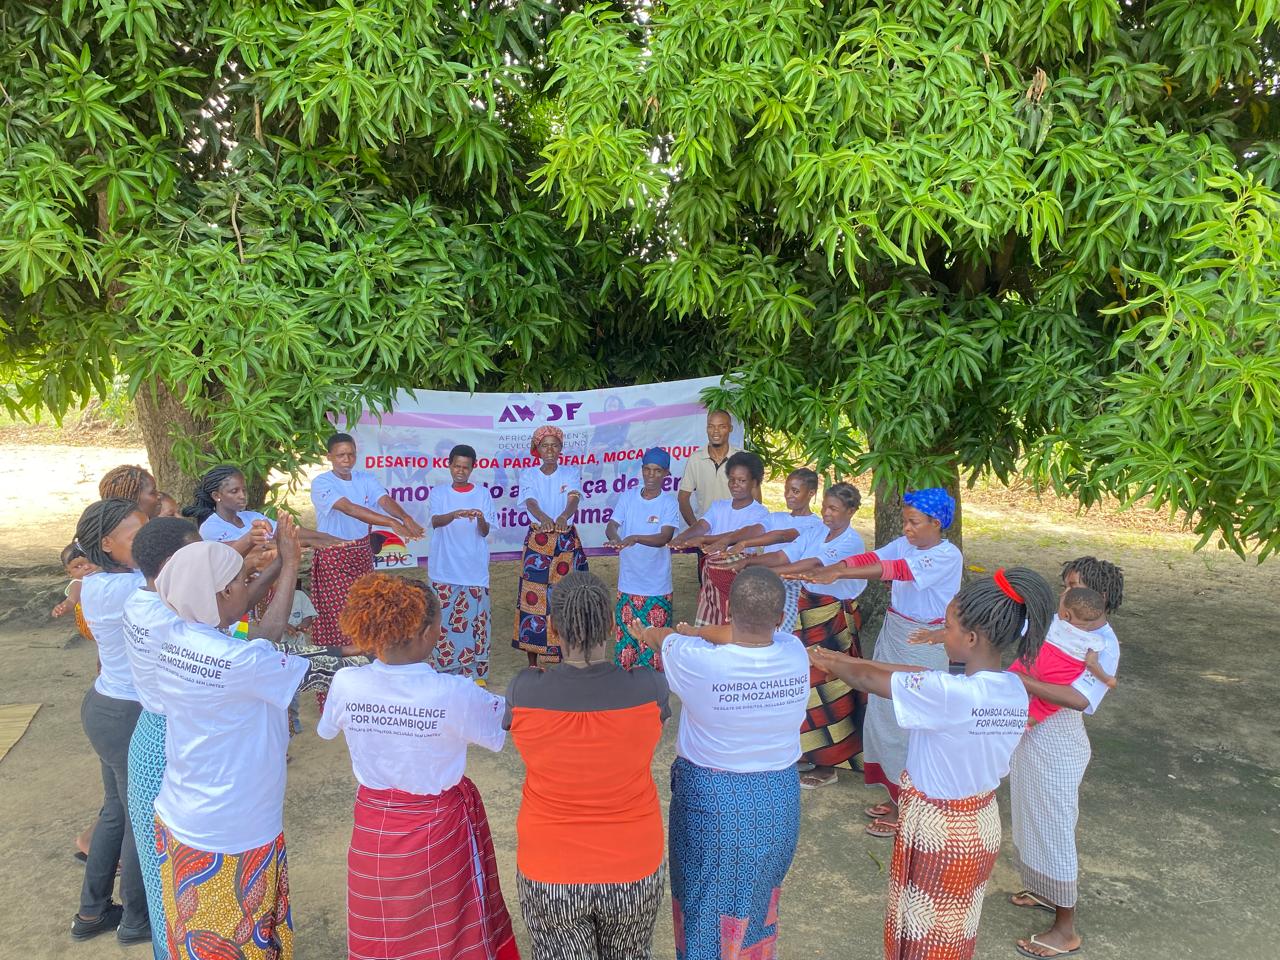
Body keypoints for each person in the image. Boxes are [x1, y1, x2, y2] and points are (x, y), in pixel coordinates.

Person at [809, 566, 1053, 960]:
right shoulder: (1010, 686)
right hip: (978, 823)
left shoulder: (948, 695)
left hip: (940, 829)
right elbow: (920, 674)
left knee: (924, 940)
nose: (943, 634)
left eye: (949, 627)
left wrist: (827, 660)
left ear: (971, 639)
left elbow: (871, 682)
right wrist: (838, 658)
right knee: (951, 934)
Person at [149, 519, 330, 960]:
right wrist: (288, 568)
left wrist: (282, 566)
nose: (244, 589)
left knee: (198, 937)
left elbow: (256, 642)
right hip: (233, 829)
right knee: (238, 942)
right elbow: (305, 666)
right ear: (222, 595)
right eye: (240, 583)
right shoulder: (240, 661)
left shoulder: (173, 629)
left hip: (184, 816)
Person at [318, 573, 518, 960]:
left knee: (383, 934)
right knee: (450, 936)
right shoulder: (454, 693)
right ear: (428, 632)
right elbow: (503, 723)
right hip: (439, 830)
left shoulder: (346, 683)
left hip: (374, 829)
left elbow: (327, 730)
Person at [640, 567, 808, 960]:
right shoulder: (794, 652)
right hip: (777, 800)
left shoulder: (699, 661)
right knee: (758, 904)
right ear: (782, 616)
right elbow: (744, 634)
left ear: (727, 611)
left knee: (703, 906)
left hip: (712, 802)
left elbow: (664, 639)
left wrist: (661, 634)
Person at [506, 572, 669, 960]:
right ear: (613, 627)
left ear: (552, 628)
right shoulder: (650, 688)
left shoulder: (524, 690)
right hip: (634, 864)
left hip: (550, 867)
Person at [798, 487, 963, 836]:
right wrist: (838, 567)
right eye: (904, 521)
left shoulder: (946, 555)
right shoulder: (907, 543)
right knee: (886, 714)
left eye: (914, 522)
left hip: (923, 641)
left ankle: (913, 806)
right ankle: (896, 793)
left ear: (937, 523)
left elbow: (896, 570)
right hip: (896, 630)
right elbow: (871, 558)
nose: (906, 528)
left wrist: (838, 575)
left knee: (912, 721)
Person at [1007, 557, 1124, 960]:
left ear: (1099, 598)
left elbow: (1079, 698)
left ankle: (1065, 929)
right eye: (1064, 586)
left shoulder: (1103, 646)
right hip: (1032, 735)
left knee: (1055, 828)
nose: (1063, 594)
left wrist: (1024, 680)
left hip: (1059, 743)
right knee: (1029, 816)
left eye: (1072, 587)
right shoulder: (1065, 622)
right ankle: (1044, 891)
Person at [723, 483, 868, 788]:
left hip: (832, 617)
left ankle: (828, 764)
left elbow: (812, 565)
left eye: (834, 509)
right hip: (810, 611)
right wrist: (750, 562)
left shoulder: (850, 542)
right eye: (826, 507)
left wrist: (765, 574)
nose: (826, 514)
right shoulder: (817, 532)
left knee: (828, 688)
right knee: (804, 683)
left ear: (851, 512)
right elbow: (785, 555)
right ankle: (806, 751)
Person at [69, 498, 152, 945]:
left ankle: (92, 912)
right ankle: (136, 920)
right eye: (136, 536)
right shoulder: (133, 587)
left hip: (103, 707)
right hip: (127, 715)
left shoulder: (97, 582)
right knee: (140, 818)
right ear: (106, 544)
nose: (146, 541)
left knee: (115, 811)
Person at [122, 517, 203, 960]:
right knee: (175, 870)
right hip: (173, 744)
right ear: (172, 564)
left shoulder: (143, 601)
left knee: (163, 870)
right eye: (197, 555)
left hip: (151, 737)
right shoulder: (174, 625)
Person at [310, 433, 424, 657]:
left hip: (362, 556)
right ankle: (338, 674)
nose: (347, 459)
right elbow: (349, 508)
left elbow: (383, 499)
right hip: (334, 559)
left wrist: (405, 517)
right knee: (340, 617)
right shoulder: (322, 482)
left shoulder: (365, 479)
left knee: (367, 612)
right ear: (329, 457)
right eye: (341, 455)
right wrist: (391, 522)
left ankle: (369, 668)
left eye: (351, 454)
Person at [513, 425, 588, 666]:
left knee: (567, 599)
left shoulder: (570, 472)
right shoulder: (529, 475)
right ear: (537, 449)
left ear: (561, 448)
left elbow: (573, 498)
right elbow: (531, 501)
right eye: (545, 445)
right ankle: (533, 663)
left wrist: (564, 516)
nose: (550, 450)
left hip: (565, 540)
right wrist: (543, 518)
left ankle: (568, 658)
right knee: (533, 600)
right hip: (539, 541)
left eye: (555, 445)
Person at [605, 447, 683, 670]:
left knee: (654, 649)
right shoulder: (629, 497)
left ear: (666, 474)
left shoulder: (668, 503)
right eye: (647, 470)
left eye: (657, 471)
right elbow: (612, 525)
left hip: (656, 588)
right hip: (628, 585)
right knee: (626, 647)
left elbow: (664, 537)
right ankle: (627, 699)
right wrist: (615, 539)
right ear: (641, 470)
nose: (651, 476)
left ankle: (652, 699)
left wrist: (635, 538)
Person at [671, 451, 769, 627]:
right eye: (732, 479)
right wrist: (681, 539)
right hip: (712, 574)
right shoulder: (719, 507)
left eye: (742, 480)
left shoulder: (760, 512)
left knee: (732, 621)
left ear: (754, 482)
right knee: (711, 621)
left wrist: (707, 540)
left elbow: (742, 533)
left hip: (738, 573)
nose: (735, 485)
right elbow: (702, 525)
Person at [428, 444, 499, 683]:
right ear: (449, 466)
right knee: (443, 623)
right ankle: (444, 671)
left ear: (473, 468)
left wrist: (479, 517)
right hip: (444, 570)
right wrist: (455, 514)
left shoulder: (483, 494)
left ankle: (476, 674)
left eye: (465, 467)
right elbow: (435, 521)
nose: (460, 471)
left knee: (476, 624)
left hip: (474, 572)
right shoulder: (438, 493)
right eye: (456, 466)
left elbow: (486, 531)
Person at [1012, 586, 1114, 726]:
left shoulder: (1053, 622)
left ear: (1066, 615)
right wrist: (1107, 679)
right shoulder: (1096, 641)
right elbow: (1091, 664)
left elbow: (1028, 630)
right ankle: (1027, 722)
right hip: (1061, 676)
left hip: (1036, 660)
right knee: (1046, 705)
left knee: (1012, 675)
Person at [186, 464, 342, 553]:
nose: (242, 496)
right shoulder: (210, 528)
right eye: (234, 491)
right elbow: (254, 549)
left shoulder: (251, 517)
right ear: (216, 496)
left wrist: (327, 538)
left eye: (244, 490)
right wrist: (307, 543)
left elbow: (288, 533)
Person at [676, 410, 743, 528]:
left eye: (722, 427)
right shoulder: (696, 459)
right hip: (707, 534)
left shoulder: (743, 458)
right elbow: (683, 498)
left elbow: (756, 498)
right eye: (711, 427)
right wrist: (697, 529)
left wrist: (746, 530)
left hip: (736, 533)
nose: (715, 432)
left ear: (730, 428)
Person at [52, 541, 99, 643]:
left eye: (90, 561)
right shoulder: (78, 583)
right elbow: (71, 601)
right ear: (69, 572)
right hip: (90, 624)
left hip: (98, 619)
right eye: (78, 566)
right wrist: (63, 607)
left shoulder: (100, 575)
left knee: (105, 649)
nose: (86, 567)